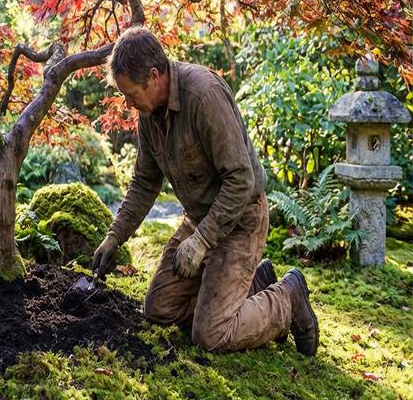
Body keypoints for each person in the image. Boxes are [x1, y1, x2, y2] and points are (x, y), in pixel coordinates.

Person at [92, 27, 318, 355]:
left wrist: (200, 243)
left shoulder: (204, 95)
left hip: (241, 218)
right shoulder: (149, 114)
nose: (128, 104)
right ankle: (253, 285)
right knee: (158, 309)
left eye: (130, 94)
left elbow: (240, 180)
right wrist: (115, 237)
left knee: (210, 334)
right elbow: (144, 183)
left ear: (154, 76)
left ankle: (288, 298)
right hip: (201, 220)